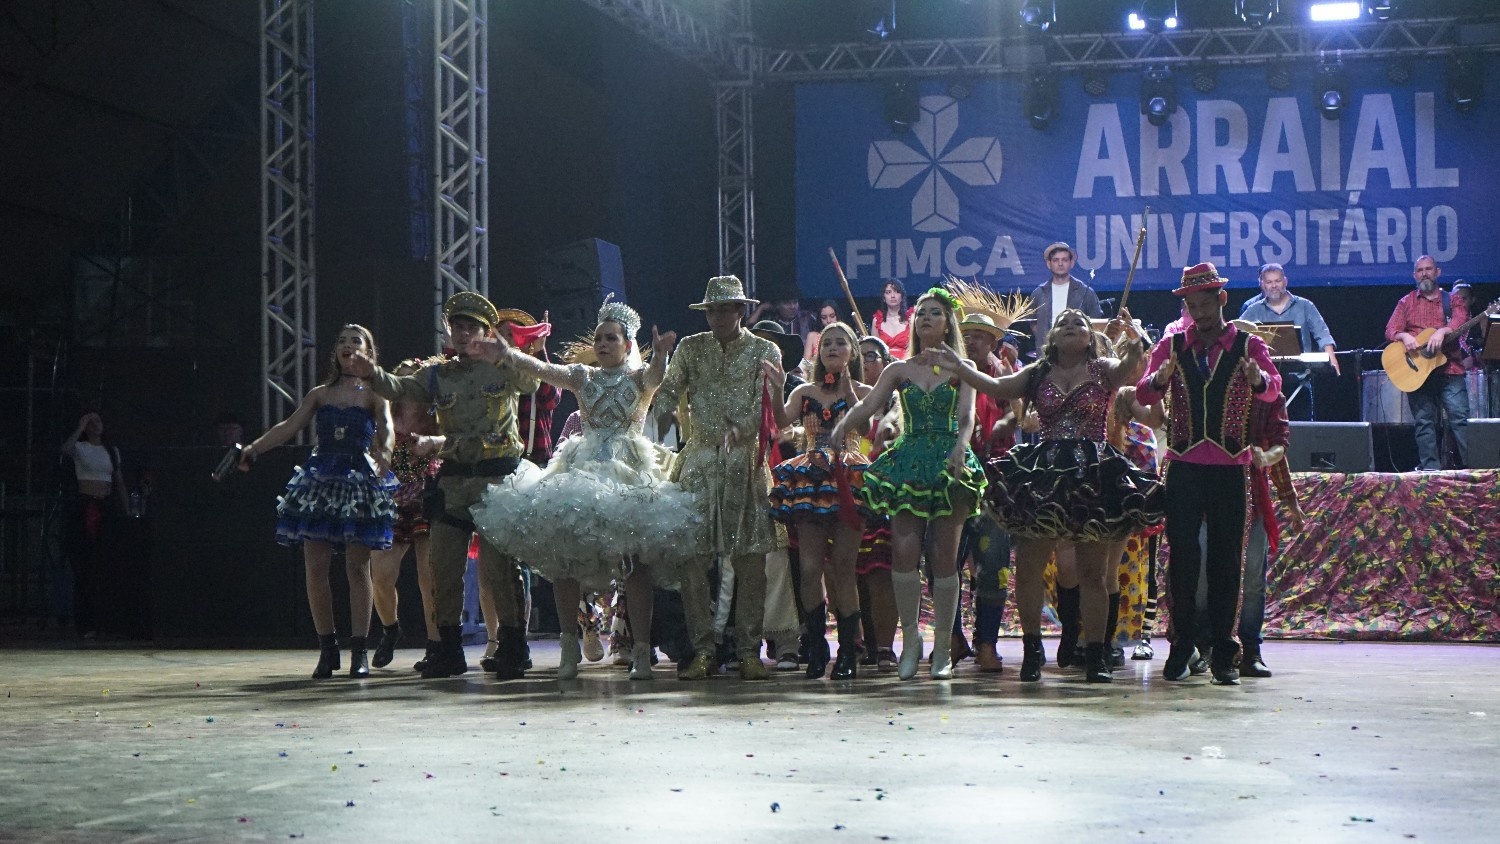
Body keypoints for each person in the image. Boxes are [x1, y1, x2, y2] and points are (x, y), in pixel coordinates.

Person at [929, 308, 1161, 683]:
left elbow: (1130, 368)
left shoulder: (1103, 369)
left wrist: (1137, 343)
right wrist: (960, 366)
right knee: (1029, 568)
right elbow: (995, 387)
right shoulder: (1037, 373)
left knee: (1093, 573)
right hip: (1045, 475)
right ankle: (1033, 650)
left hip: (1092, 475)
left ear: (1090, 337)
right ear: (1051, 337)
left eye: (1079, 322)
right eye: (1063, 323)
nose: (1071, 326)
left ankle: (1097, 655)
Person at [472, 301, 698, 681]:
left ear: (628, 344)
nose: (603, 344)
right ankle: (568, 646)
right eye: (599, 339)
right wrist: (507, 354)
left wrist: (661, 354)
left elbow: (656, 376)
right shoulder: (582, 377)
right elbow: (542, 370)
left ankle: (640, 651)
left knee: (635, 562)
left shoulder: (638, 379)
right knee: (565, 556)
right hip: (583, 468)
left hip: (629, 469)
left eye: (611, 338)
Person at [348, 293, 540, 680]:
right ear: (450, 332)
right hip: (453, 480)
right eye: (458, 327)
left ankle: (514, 648)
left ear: (485, 332)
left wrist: (505, 354)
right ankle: (448, 650)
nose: (464, 333)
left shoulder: (503, 365)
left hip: (496, 479)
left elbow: (531, 382)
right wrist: (371, 372)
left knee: (500, 569)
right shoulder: (438, 375)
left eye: (472, 327)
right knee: (443, 568)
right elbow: (399, 389)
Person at [1136, 262, 1283, 685]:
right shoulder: (1171, 345)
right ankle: (1182, 646)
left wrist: (1258, 380)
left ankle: (1223, 652)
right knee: (1182, 562)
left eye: (1204, 305)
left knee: (1226, 562)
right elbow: (1142, 392)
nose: (1198, 315)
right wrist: (1159, 379)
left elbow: (1274, 390)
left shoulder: (1249, 345)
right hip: (1183, 466)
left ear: (1222, 300)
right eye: (1191, 307)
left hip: (1230, 468)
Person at [830, 288, 986, 680]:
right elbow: (868, 406)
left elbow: (967, 416)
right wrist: (843, 426)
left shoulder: (962, 366)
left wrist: (960, 446)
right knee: (903, 552)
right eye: (922, 314)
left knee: (944, 557)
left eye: (935, 313)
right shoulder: (898, 369)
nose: (927, 318)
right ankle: (911, 642)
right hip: (909, 460)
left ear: (948, 324)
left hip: (949, 460)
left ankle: (943, 648)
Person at [238, 324, 398, 679]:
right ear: (335, 351)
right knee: (315, 566)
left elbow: (387, 428)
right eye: (342, 341)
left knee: (357, 567)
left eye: (356, 341)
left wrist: (386, 452)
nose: (347, 345)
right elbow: (288, 426)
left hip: (358, 480)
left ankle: (359, 651)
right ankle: (327, 649)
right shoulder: (320, 394)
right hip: (320, 479)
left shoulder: (375, 392)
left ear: (369, 352)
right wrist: (254, 449)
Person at [653, 276, 783, 680]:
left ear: (741, 310)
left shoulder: (765, 350)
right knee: (692, 560)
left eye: (725, 308)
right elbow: (668, 388)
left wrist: (743, 430)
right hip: (700, 462)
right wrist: (664, 408)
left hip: (745, 463)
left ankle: (748, 650)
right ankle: (703, 650)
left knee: (750, 561)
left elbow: (767, 406)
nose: (718, 316)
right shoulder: (691, 348)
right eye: (712, 310)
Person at [764, 321, 874, 680]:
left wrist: (850, 391)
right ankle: (815, 645)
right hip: (811, 477)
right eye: (827, 343)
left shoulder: (864, 390)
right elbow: (781, 420)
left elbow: (866, 427)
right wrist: (778, 388)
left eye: (840, 343)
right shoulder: (805, 391)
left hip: (848, 476)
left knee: (843, 567)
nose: (832, 348)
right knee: (810, 568)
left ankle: (848, 651)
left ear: (852, 352)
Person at [366, 357, 444, 672]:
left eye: (415, 379)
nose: (408, 385)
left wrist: (433, 443)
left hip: (427, 491)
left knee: (429, 576)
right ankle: (390, 629)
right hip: (391, 496)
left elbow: (455, 439)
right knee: (381, 576)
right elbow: (372, 447)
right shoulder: (384, 412)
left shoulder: (436, 412)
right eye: (402, 379)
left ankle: (435, 645)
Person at [1385, 255, 1470, 471]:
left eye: (1428, 269)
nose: (1424, 274)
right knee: (1424, 423)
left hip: (1450, 370)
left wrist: (1443, 331)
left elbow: (1461, 319)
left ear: (1437, 272)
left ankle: (1475, 471)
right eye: (1420, 270)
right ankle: (1430, 472)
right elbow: (1391, 329)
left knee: (1460, 420)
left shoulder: (1452, 299)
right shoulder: (1406, 302)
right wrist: (1404, 336)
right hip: (1418, 372)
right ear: (1415, 275)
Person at [1238, 262, 1339, 419]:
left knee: (1301, 427)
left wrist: (1332, 360)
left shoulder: (1305, 306)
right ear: (1262, 284)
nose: (1274, 286)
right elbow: (1236, 335)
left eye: (1277, 281)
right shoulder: (1253, 310)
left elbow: (1322, 333)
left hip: (1299, 381)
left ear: (1285, 281)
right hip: (1266, 383)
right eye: (1269, 282)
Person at [61, 411, 129, 641]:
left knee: (107, 564)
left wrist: (127, 510)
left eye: (98, 421)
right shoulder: (80, 448)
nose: (95, 425)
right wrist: (81, 426)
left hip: (107, 506)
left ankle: (107, 621)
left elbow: (119, 482)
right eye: (90, 422)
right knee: (86, 565)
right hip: (86, 506)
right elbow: (65, 449)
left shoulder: (111, 450)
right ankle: (86, 623)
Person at [854, 336, 899, 670]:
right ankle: (855, 643)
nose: (865, 362)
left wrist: (888, 425)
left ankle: (884, 647)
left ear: (886, 362)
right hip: (847, 488)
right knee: (847, 572)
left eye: (871, 356)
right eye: (859, 356)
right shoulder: (842, 394)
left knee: (879, 570)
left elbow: (894, 423)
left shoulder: (896, 397)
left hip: (883, 489)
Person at [1028, 242, 1103, 354]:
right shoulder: (1039, 293)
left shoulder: (1085, 292)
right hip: (1047, 354)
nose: (1060, 264)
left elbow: (1096, 322)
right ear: (1049, 263)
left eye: (1065, 260)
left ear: (1071, 263)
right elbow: (1033, 322)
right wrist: (1045, 339)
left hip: (1079, 355)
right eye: (1056, 260)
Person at [869, 279, 914, 360]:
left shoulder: (911, 318)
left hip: (907, 363)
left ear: (902, 296)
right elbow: (874, 350)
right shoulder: (877, 320)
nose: (893, 296)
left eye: (897, 292)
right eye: (888, 292)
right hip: (885, 364)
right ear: (884, 297)